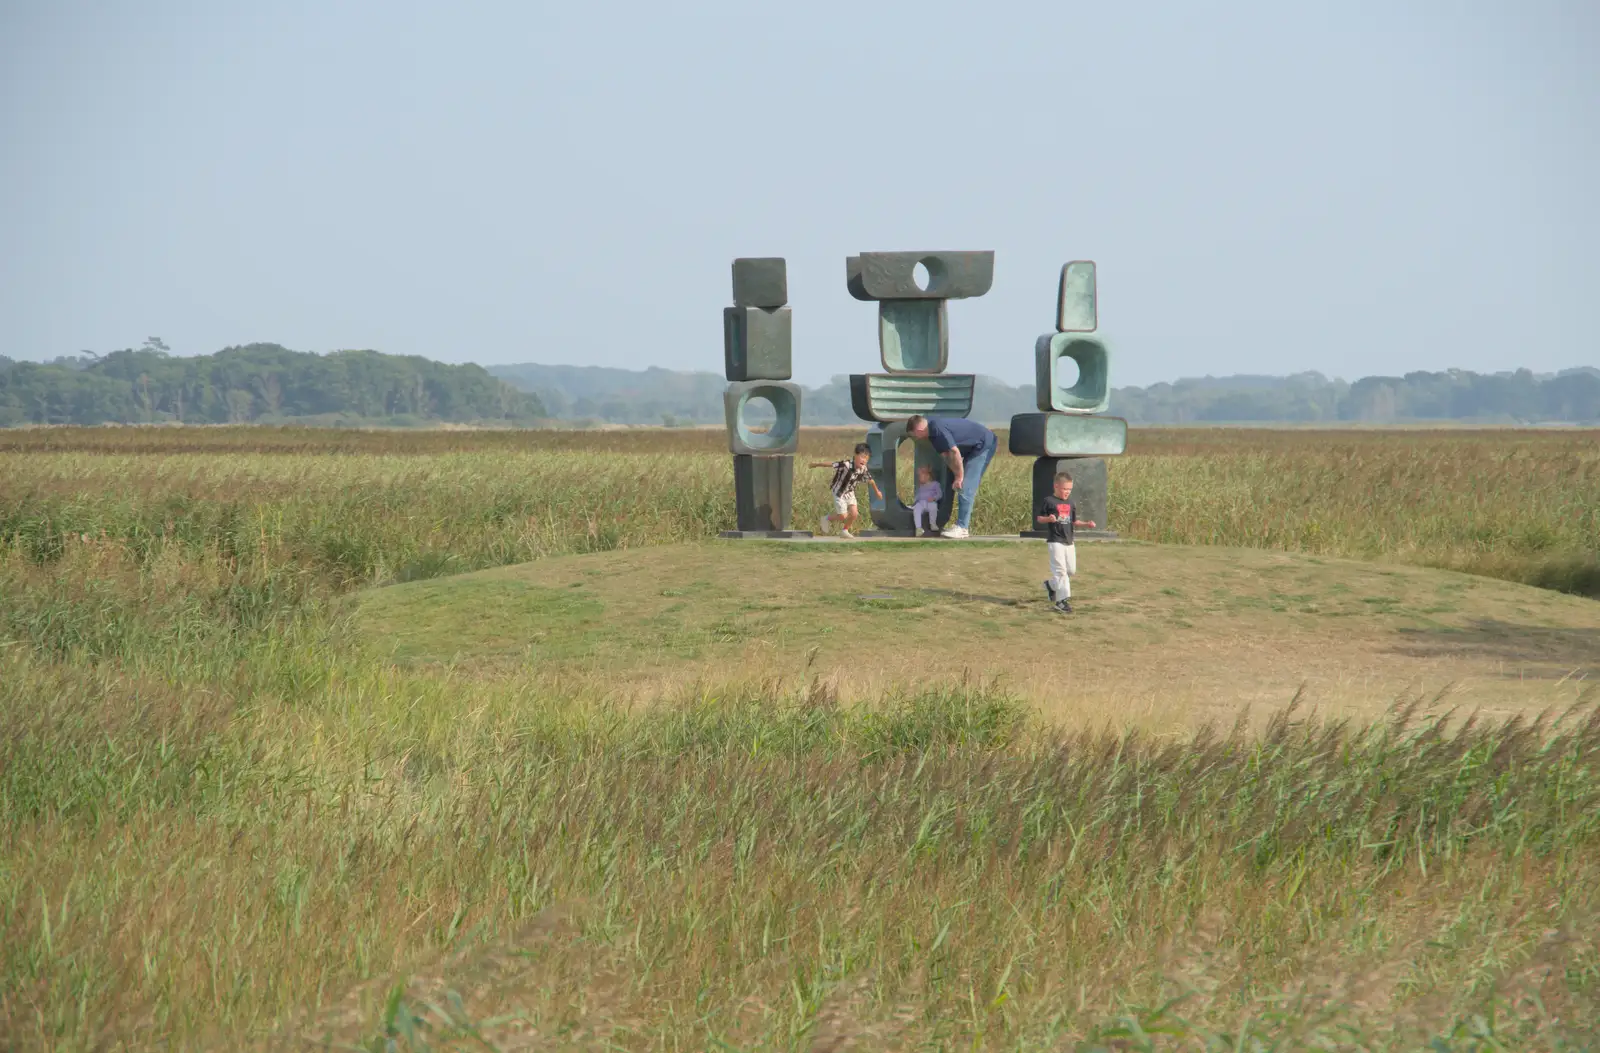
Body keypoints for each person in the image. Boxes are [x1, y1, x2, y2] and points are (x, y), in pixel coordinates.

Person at [904, 414, 997, 539]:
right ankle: (941, 522)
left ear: (919, 430)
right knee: (950, 480)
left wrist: (959, 477)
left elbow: (954, 451)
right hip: (969, 449)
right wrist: (954, 474)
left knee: (965, 485)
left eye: (914, 435)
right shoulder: (931, 433)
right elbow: (946, 456)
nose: (915, 438)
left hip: (983, 444)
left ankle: (963, 528)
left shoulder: (936, 428)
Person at [1035, 470, 1095, 614]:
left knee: (1070, 571)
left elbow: (1074, 521)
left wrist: (1086, 524)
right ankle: (1062, 602)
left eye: (1069, 489)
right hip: (1055, 541)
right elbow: (1039, 518)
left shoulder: (1070, 502)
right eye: (1064, 489)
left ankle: (1051, 585)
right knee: (1060, 571)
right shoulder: (1049, 501)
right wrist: (1048, 519)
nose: (1067, 492)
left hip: (1069, 541)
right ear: (1056, 486)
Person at [810, 442, 883, 539]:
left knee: (854, 514)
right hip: (839, 492)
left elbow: (871, 480)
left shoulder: (863, 469)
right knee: (843, 516)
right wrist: (816, 464)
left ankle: (844, 531)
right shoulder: (846, 464)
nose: (864, 460)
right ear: (855, 455)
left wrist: (877, 492)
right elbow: (831, 464)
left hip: (850, 492)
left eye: (866, 458)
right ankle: (826, 519)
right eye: (862, 457)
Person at [910, 465, 943, 537]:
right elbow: (918, 496)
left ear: (927, 476)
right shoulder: (921, 486)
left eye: (920, 476)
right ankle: (918, 528)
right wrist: (914, 503)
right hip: (921, 503)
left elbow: (939, 494)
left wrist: (934, 498)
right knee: (916, 510)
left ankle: (933, 524)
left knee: (933, 507)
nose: (919, 478)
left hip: (930, 502)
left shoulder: (935, 484)